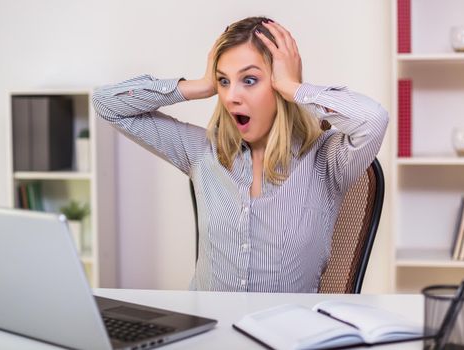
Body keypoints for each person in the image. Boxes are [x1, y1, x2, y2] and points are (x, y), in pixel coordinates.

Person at [92, 16, 388, 293]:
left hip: (287, 336)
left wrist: (294, 88)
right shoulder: (202, 151)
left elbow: (373, 120)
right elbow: (106, 104)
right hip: (209, 330)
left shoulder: (328, 159)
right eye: (224, 81)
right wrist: (198, 86)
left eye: (249, 80)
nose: (232, 95)